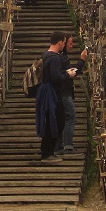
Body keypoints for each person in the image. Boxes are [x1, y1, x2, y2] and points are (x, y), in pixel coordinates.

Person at [36, 32, 69, 163]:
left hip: (45, 91)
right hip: (52, 94)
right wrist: (68, 75)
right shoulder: (55, 58)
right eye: (64, 42)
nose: (64, 45)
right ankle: (47, 152)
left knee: (52, 121)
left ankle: (47, 151)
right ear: (60, 42)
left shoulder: (45, 55)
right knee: (57, 121)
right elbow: (56, 77)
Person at [54, 35, 87, 157]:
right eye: (70, 43)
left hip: (62, 93)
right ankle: (67, 145)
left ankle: (59, 146)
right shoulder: (62, 58)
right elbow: (71, 74)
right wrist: (82, 60)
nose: (71, 46)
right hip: (64, 94)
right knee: (70, 118)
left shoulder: (59, 58)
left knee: (62, 119)